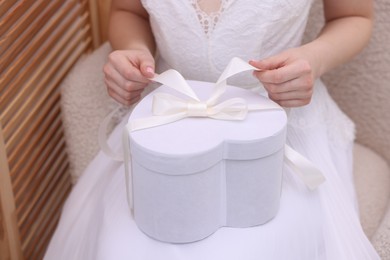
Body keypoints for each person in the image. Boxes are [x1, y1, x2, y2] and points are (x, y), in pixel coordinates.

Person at [44, 0, 380, 259]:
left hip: (278, 124)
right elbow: (127, 10)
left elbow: (353, 16)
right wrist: (133, 49)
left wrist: (314, 59)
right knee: (126, 244)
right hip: (168, 122)